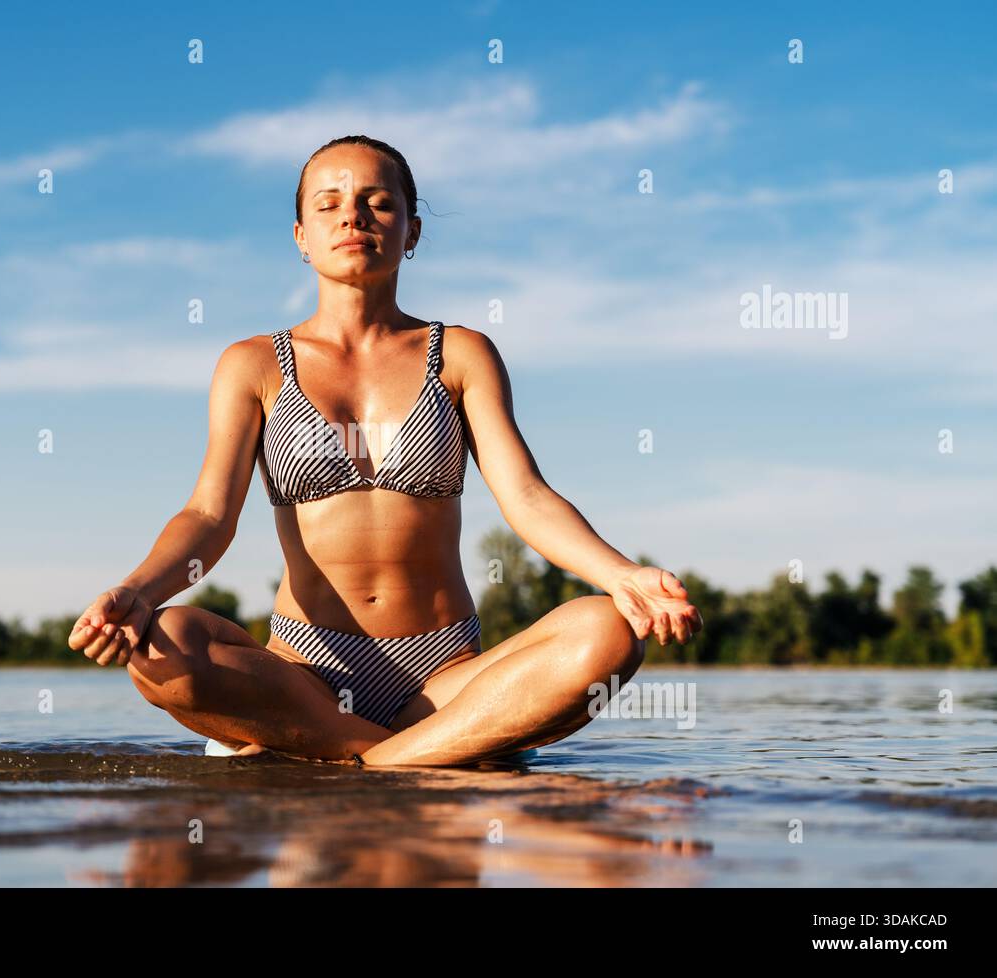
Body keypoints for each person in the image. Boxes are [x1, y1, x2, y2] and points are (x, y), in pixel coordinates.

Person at [68, 135, 702, 767]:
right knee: (162, 646)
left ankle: (370, 759)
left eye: (378, 201)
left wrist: (623, 576)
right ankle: (418, 756)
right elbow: (208, 517)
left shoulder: (460, 354)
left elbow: (527, 497)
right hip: (305, 673)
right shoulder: (252, 365)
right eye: (330, 203)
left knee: (609, 631)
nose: (354, 216)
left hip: (444, 677)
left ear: (412, 230)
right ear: (300, 236)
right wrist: (139, 591)